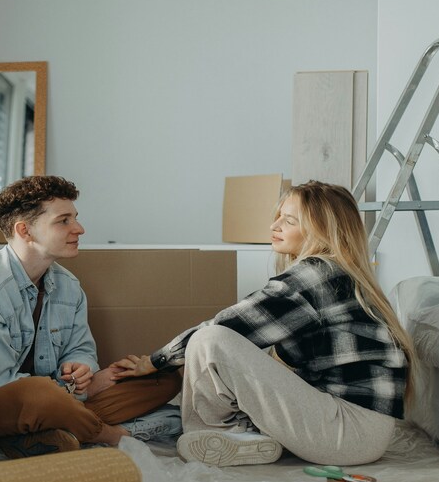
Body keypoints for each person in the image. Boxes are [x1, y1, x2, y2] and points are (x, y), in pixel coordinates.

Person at [110, 181, 416, 467]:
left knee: (211, 340)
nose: (274, 226)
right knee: (240, 350)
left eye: (289, 221)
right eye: (278, 217)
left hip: (347, 432)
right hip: (355, 429)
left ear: (320, 231)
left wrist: (153, 362)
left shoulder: (316, 274)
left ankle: (221, 432)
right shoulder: (337, 273)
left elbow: (231, 325)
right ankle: (244, 435)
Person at [0, 175, 182, 460]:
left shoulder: (67, 285)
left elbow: (81, 348)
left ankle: (46, 436)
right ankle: (113, 434)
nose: (79, 229)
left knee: (164, 378)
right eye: (64, 221)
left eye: (75, 218)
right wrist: (77, 389)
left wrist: (83, 368)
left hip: (50, 397)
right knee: (38, 394)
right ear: (25, 231)